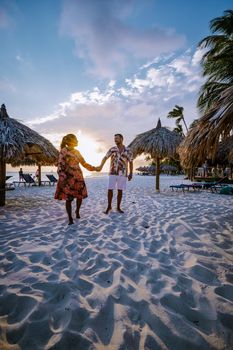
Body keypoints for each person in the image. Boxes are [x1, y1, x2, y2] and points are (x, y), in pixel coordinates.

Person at [54, 134, 98, 225]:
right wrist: (62, 177)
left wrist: (94, 168)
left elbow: (84, 163)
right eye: (76, 139)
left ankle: (77, 211)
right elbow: (60, 165)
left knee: (79, 196)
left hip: (78, 177)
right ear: (71, 141)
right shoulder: (63, 151)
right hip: (68, 178)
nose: (77, 141)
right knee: (68, 199)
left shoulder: (77, 152)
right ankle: (70, 218)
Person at [98, 133, 133, 214]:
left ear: (121, 139)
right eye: (114, 138)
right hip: (113, 172)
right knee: (110, 189)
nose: (115, 140)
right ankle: (109, 206)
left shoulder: (128, 150)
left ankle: (118, 207)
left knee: (120, 190)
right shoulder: (112, 149)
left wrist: (131, 173)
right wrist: (100, 166)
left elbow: (131, 162)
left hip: (123, 173)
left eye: (117, 138)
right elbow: (105, 157)